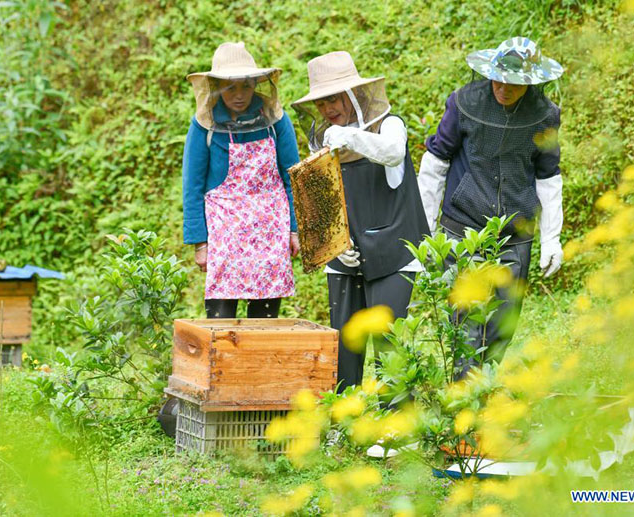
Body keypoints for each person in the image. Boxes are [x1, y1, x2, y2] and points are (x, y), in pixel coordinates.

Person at [418, 37, 565, 376]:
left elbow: (548, 176)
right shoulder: (463, 103)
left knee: (501, 329)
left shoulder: (546, 115)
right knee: (466, 328)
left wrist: (552, 238)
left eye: (513, 83)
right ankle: (462, 414)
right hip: (463, 230)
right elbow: (435, 161)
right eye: (498, 78)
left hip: (515, 237)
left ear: (531, 82)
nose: (503, 87)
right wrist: (424, 230)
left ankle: (483, 406)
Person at [291, 51, 430, 392]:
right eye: (321, 103)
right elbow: (323, 204)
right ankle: (344, 419)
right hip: (346, 256)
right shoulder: (322, 137)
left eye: (333, 99)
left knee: (388, 342)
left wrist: (352, 138)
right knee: (344, 347)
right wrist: (334, 250)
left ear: (353, 93)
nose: (328, 110)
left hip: (394, 251)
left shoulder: (389, 124)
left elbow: (393, 151)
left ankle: (394, 428)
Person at [183, 42, 300, 319]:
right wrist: (201, 243)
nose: (239, 95)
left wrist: (295, 229)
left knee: (265, 321)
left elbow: (291, 177)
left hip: (270, 230)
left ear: (255, 85)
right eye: (230, 88)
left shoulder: (275, 120)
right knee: (221, 321)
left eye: (245, 86)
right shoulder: (204, 124)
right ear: (218, 87)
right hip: (224, 231)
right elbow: (193, 186)